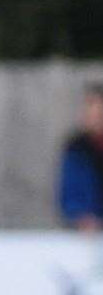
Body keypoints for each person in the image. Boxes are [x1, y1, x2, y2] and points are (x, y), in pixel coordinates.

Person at [56, 85, 103, 230]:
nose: (94, 114)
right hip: (87, 234)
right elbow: (69, 194)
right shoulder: (76, 148)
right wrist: (81, 216)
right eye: (90, 107)